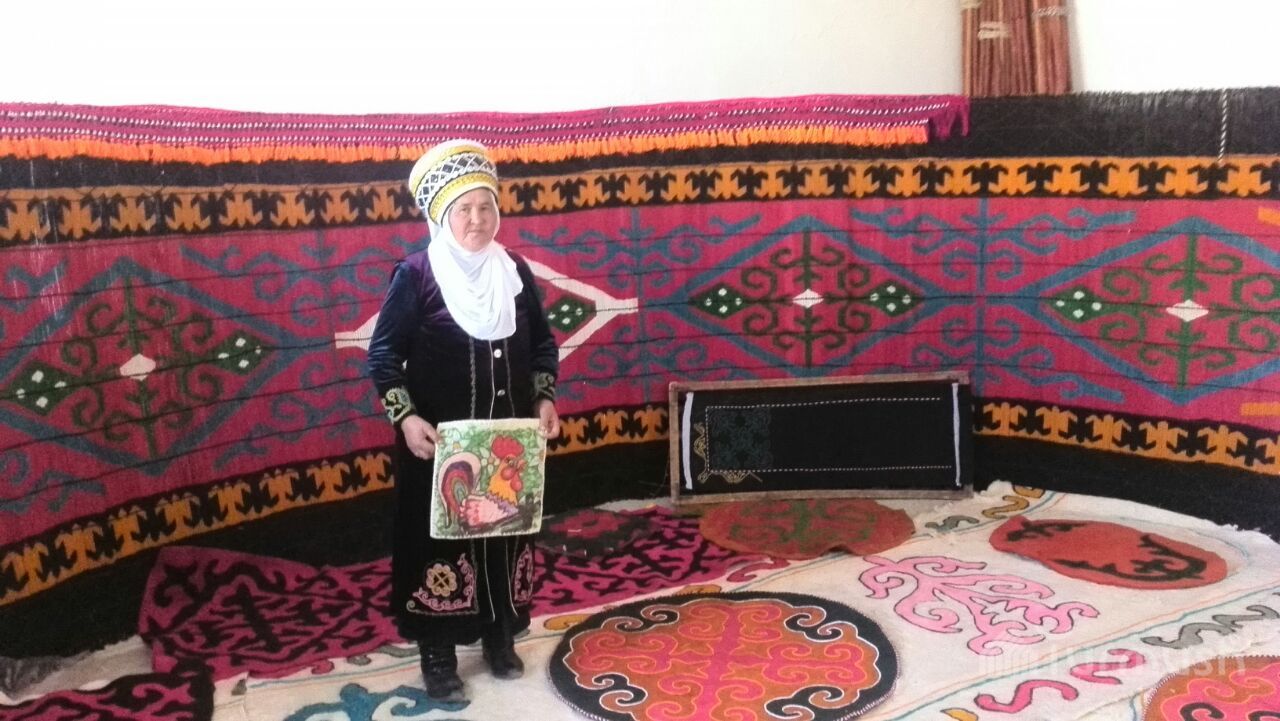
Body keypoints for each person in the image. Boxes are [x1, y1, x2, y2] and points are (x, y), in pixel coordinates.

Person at [366, 139, 560, 702]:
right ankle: (438, 654)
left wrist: (544, 399)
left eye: (486, 206)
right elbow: (383, 355)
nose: (477, 219)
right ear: (440, 216)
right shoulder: (416, 275)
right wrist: (406, 418)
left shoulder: (513, 270)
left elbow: (542, 346)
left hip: (507, 445)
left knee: (504, 534)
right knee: (438, 545)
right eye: (464, 209)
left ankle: (499, 636)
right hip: (440, 447)